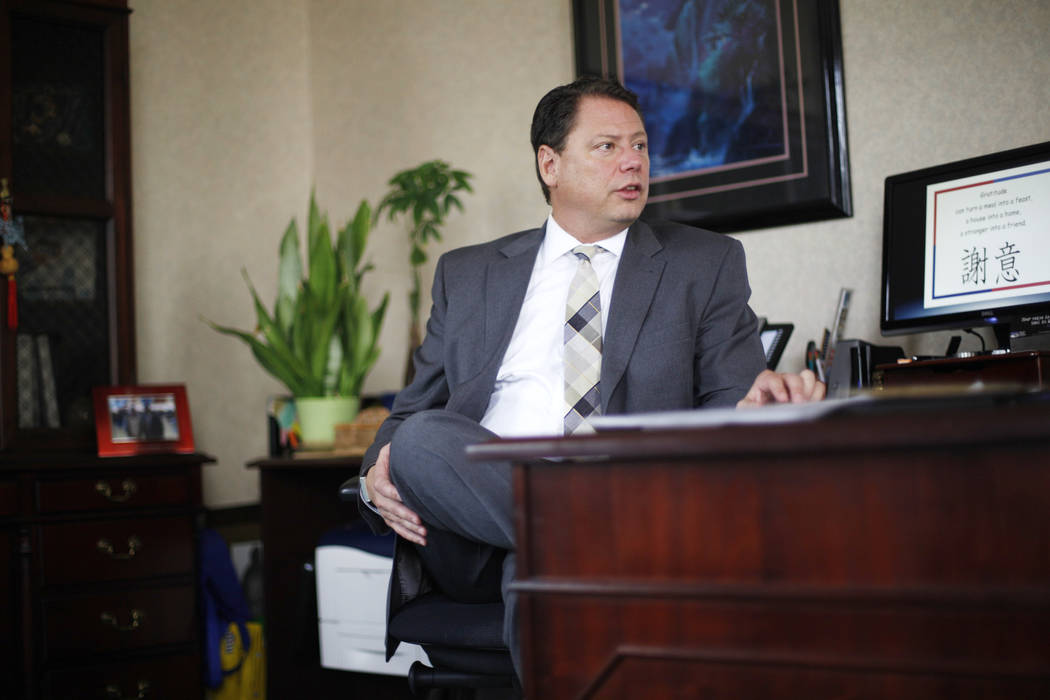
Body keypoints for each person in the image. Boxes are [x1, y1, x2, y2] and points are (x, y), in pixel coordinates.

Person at [357, 76, 825, 682]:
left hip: (628, 509)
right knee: (421, 437)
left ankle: (567, 533)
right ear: (549, 164)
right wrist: (372, 481)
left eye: (640, 146)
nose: (633, 162)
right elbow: (407, 415)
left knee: (540, 562)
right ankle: (579, 527)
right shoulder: (468, 274)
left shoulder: (704, 263)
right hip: (477, 528)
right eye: (607, 146)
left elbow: (731, 399)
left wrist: (757, 408)